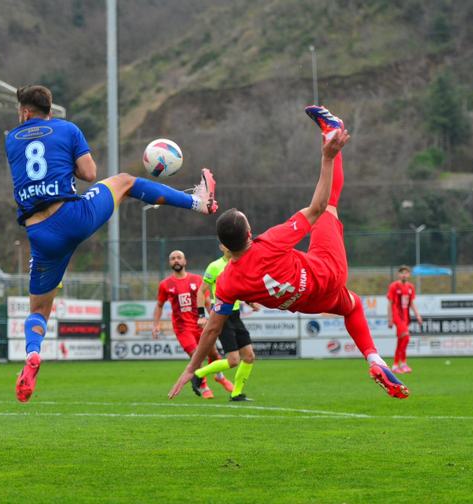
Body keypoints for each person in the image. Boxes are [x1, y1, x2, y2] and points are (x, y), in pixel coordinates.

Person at [170, 106, 410, 401]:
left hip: (307, 303)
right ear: (249, 234)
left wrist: (191, 368)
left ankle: (375, 361)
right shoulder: (269, 242)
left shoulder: (228, 282)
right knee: (328, 207)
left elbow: (211, 330)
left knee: (353, 306)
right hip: (326, 273)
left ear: (224, 246)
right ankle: (334, 130)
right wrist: (327, 158)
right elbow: (317, 206)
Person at [10, 85, 218, 403]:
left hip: (39, 236)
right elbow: (90, 174)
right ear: (49, 111)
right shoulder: (67, 128)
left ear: (25, 113)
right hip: (72, 217)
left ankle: (33, 354)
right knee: (125, 181)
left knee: (38, 310)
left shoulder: (12, 139)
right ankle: (197, 202)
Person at [154, 250, 233, 399]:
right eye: (173, 258)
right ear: (170, 263)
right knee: (196, 355)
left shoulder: (197, 280)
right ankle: (204, 387)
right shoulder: (165, 284)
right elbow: (159, 305)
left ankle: (220, 377)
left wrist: (215, 321)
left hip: (201, 325)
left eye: (179, 258)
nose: (176, 260)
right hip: (182, 328)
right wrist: (156, 324)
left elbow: (208, 301)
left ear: (185, 261)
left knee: (214, 354)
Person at [194, 244, 261, 402]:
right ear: (221, 247)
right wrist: (201, 315)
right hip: (223, 316)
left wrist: (251, 302)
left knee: (249, 356)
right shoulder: (215, 266)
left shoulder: (240, 264)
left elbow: (240, 288)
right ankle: (198, 374)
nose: (229, 247)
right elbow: (201, 291)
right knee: (233, 361)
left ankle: (236, 394)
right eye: (226, 244)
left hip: (236, 316)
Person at [387, 265, 422, 374]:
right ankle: (400, 364)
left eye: (406, 273)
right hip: (398, 316)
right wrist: (390, 319)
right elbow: (390, 303)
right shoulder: (394, 286)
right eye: (402, 273)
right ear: (399, 274)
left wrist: (417, 315)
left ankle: (398, 365)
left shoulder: (410, 287)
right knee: (406, 338)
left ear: (409, 275)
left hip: (406, 317)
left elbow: (411, 303)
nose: (404, 275)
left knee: (401, 341)